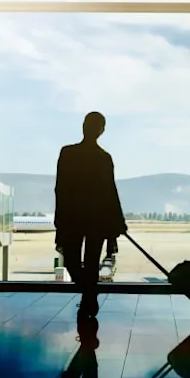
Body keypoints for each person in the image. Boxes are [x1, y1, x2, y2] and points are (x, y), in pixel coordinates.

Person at [54, 111, 127, 310]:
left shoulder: (67, 153)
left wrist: (59, 220)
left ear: (84, 126)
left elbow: (60, 189)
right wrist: (118, 222)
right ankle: (89, 295)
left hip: (73, 219)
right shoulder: (104, 158)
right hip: (96, 220)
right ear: (102, 131)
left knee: (72, 262)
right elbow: (110, 193)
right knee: (91, 264)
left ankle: (89, 296)